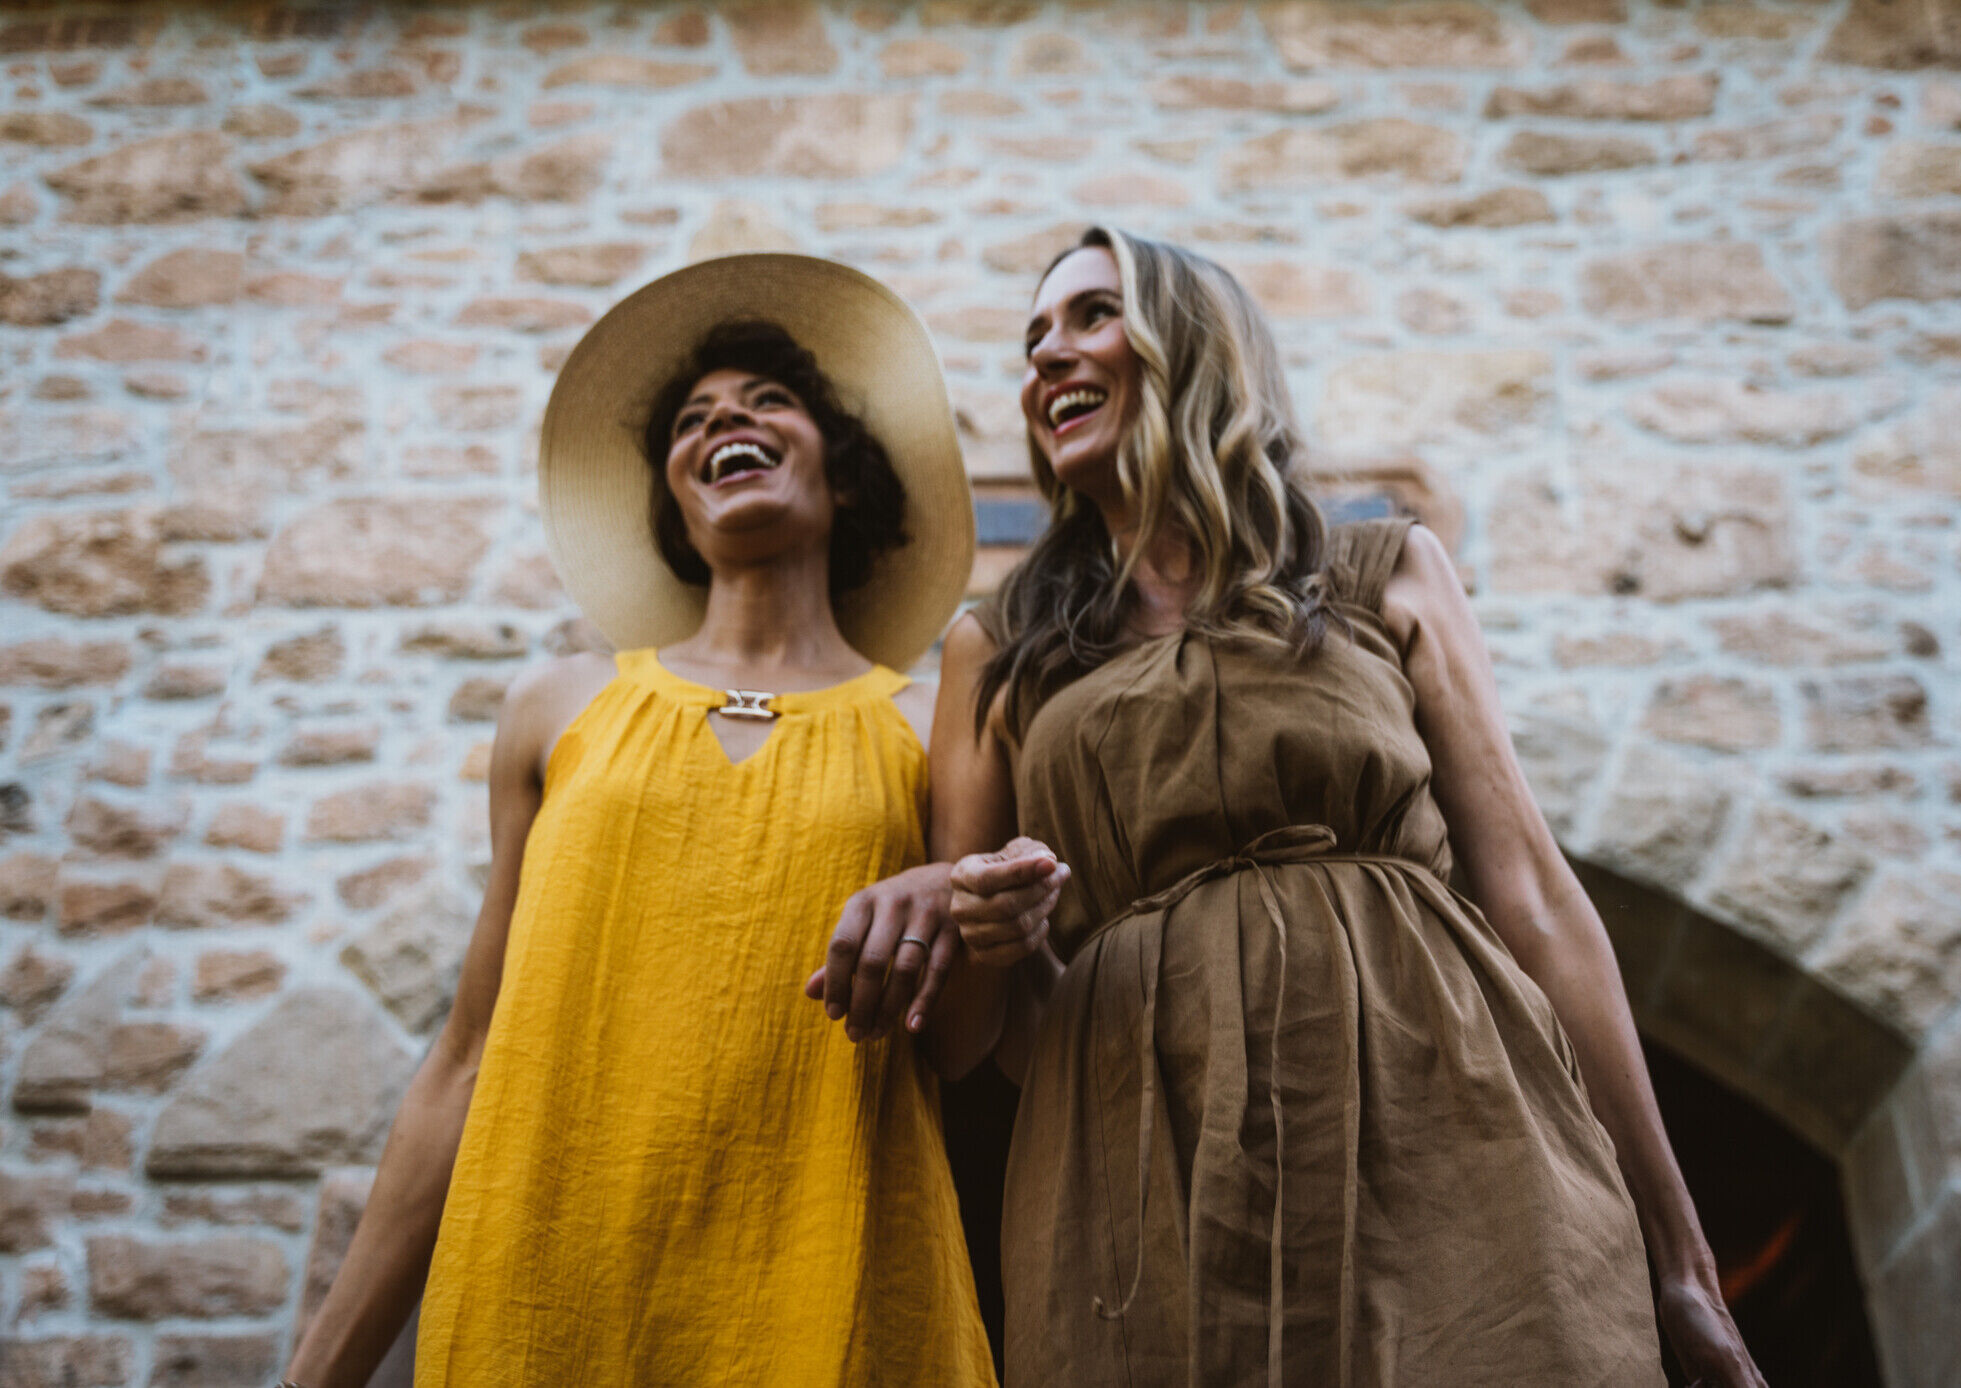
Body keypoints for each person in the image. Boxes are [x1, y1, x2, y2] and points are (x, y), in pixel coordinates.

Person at [927, 227, 1766, 1386]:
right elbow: (973, 1033)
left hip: (1448, 1123)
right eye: (1031, 339)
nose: (1046, 357)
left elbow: (1531, 896)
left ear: (1193, 344)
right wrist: (997, 934)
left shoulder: (1386, 569)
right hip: (1139, 1172)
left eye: (1090, 315)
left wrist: (1681, 1257)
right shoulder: (996, 650)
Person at [282, 255, 995, 1387]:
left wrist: (974, 902)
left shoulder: (929, 722)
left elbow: (965, 1042)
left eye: (767, 402)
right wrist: (313, 1375)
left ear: (845, 477)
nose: (726, 423)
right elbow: (463, 1063)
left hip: (832, 1293)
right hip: (542, 1296)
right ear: (676, 498)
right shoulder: (556, 708)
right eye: (694, 419)